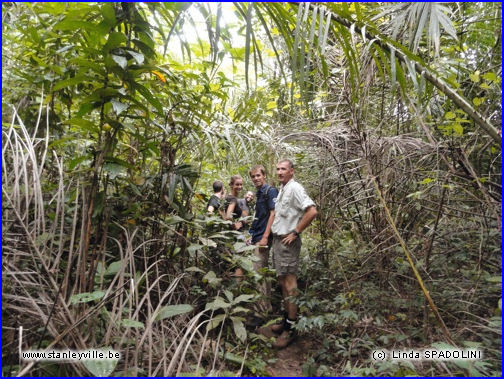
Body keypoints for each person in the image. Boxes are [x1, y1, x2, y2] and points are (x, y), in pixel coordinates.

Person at [258, 159, 317, 349]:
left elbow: (312, 211)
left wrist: (296, 232)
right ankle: (287, 321)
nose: (279, 172)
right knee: (283, 282)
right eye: (277, 169)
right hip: (278, 241)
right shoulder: (283, 188)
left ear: (292, 171)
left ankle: (291, 330)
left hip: (287, 242)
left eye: (283, 169)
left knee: (290, 284)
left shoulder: (295, 188)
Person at [248, 165, 278, 315]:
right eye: (253, 176)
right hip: (257, 236)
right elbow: (258, 217)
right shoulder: (259, 193)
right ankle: (266, 308)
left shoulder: (270, 191)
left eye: (258, 175)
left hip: (264, 238)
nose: (256, 178)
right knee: (262, 273)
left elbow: (273, 214)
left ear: (264, 176)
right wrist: (251, 234)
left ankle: (260, 313)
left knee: (258, 274)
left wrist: (265, 237)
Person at [224, 175, 248, 279]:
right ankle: (238, 288)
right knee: (240, 262)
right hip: (236, 235)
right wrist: (234, 224)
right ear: (231, 185)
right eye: (237, 184)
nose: (239, 186)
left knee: (232, 262)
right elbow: (228, 216)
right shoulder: (233, 199)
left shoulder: (226, 198)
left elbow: (222, 212)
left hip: (228, 235)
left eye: (241, 184)